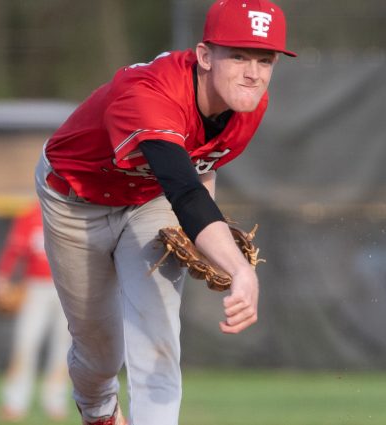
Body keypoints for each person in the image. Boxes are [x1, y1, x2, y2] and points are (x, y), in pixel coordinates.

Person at [34, 1, 295, 424]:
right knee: (100, 351)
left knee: (158, 338)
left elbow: (202, 170)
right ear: (205, 55)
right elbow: (184, 187)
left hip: (150, 201)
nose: (254, 72)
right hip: (74, 202)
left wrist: (206, 238)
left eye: (265, 60)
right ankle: (99, 410)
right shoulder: (148, 92)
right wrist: (240, 269)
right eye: (240, 56)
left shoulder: (248, 106)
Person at [0, 202, 72, 422]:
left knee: (64, 347)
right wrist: (1, 277)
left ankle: (56, 401)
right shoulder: (30, 216)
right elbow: (14, 249)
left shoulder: (73, 214)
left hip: (68, 286)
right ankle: (15, 402)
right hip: (35, 287)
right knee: (25, 342)